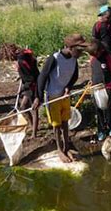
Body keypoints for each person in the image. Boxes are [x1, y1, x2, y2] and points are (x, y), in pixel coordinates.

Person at [34, 33, 88, 163]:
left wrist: (69, 87)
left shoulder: (74, 59)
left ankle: (66, 146)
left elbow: (74, 76)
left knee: (65, 123)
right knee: (56, 125)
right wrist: (38, 97)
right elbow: (42, 77)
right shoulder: (55, 58)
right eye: (79, 50)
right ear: (70, 47)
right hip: (52, 96)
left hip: (64, 95)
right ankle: (59, 150)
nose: (81, 53)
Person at [87, 39, 111, 141]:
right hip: (96, 87)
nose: (95, 56)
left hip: (106, 86)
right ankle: (101, 129)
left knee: (109, 107)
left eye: (96, 54)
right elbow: (93, 70)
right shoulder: (93, 58)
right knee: (98, 108)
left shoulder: (108, 56)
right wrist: (92, 81)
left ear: (100, 50)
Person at [15, 47, 40, 138]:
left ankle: (34, 134)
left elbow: (30, 78)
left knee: (33, 109)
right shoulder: (30, 60)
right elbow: (26, 76)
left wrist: (22, 89)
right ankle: (31, 125)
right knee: (23, 107)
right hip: (30, 84)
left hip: (32, 86)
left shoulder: (22, 63)